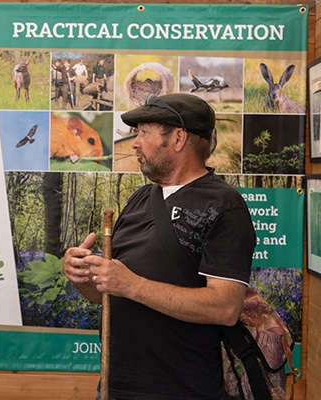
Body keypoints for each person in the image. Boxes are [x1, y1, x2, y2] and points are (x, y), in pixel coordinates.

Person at [63, 93, 256, 400]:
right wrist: (84, 277)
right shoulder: (141, 198)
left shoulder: (224, 205)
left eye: (143, 133)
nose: (135, 143)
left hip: (183, 391)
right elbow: (108, 296)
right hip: (115, 386)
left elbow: (225, 307)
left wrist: (131, 284)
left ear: (178, 138)